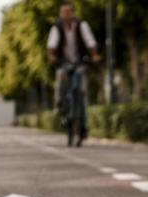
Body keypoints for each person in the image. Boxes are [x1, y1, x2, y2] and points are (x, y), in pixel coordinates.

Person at [47, 1, 100, 145]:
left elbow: (90, 41)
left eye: (68, 12)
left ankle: (83, 122)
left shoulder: (82, 25)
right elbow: (51, 45)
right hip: (64, 63)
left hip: (80, 63)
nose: (65, 15)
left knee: (82, 91)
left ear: (73, 12)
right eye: (62, 12)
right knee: (60, 81)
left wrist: (94, 55)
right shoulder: (57, 27)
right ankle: (59, 106)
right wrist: (52, 57)